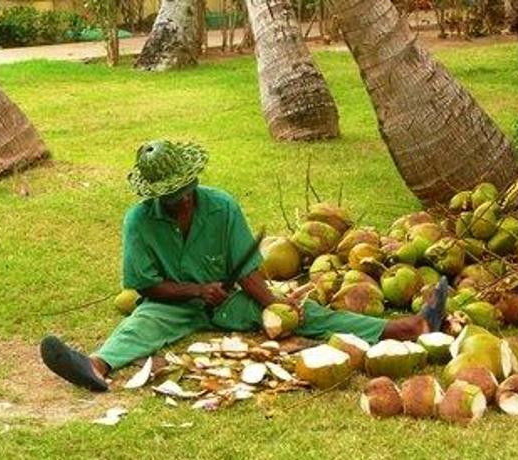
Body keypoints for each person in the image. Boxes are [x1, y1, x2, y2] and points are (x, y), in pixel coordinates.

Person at [40, 140, 446, 392]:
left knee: (309, 317)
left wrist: (273, 306)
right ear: (154, 196)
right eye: (171, 196)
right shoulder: (139, 221)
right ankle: (94, 366)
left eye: (185, 190)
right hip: (174, 303)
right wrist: (197, 291)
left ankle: (409, 328)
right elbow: (145, 285)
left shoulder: (221, 206)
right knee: (138, 326)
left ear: (193, 179)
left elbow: (247, 268)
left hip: (233, 299)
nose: (182, 200)